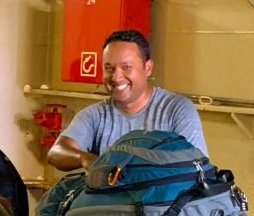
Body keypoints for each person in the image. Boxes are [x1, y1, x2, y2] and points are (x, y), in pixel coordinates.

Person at [47, 29, 207, 171]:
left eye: (126, 67)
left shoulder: (176, 109)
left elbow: (197, 165)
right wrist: (86, 159)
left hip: (165, 203)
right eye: (109, 68)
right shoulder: (94, 116)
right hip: (110, 203)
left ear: (148, 68)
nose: (116, 77)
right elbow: (56, 152)